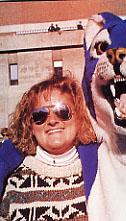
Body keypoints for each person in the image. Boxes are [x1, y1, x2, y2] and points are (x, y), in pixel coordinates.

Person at [0, 75, 96, 220]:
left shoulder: (100, 173)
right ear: (29, 125)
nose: (52, 121)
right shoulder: (12, 182)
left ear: (79, 117)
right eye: (40, 115)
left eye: (63, 111)